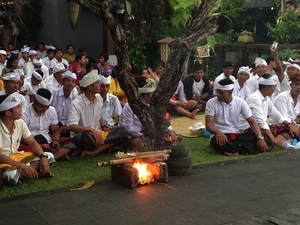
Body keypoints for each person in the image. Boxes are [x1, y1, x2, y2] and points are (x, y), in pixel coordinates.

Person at [0, 93, 55, 184]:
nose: (21, 110)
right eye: (18, 107)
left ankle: (23, 175)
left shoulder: (20, 122)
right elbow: (1, 157)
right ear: (8, 112)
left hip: (16, 157)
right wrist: (22, 166)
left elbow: (32, 142)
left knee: (49, 156)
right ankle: (34, 173)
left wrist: (43, 157)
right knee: (10, 174)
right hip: (4, 161)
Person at [68, 70, 124, 157]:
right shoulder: (76, 103)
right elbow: (72, 126)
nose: (100, 85)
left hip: (98, 132)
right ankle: (104, 146)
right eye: (97, 83)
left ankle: (95, 151)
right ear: (90, 87)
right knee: (84, 139)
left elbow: (99, 114)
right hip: (86, 135)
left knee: (124, 131)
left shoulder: (98, 98)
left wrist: (104, 126)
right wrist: (90, 130)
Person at [205, 78, 268, 156]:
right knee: (217, 141)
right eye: (217, 91)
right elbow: (209, 124)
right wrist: (218, 133)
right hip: (219, 136)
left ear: (230, 92)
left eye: (221, 92)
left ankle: (235, 150)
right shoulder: (211, 103)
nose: (218, 94)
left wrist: (260, 138)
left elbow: (252, 121)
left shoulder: (240, 102)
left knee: (258, 134)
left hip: (235, 135)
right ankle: (244, 149)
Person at [239, 74, 299, 148]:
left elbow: (275, 113)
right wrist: (272, 138)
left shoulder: (266, 98)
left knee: (289, 128)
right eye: (274, 87)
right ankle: (274, 142)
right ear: (267, 88)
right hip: (248, 130)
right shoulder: (255, 98)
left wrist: (289, 125)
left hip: (261, 128)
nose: (275, 89)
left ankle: (276, 142)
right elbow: (260, 121)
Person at [119, 76, 180, 146]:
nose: (154, 96)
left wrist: (170, 130)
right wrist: (142, 136)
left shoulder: (153, 105)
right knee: (142, 144)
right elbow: (128, 128)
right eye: (152, 94)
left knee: (165, 138)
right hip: (133, 135)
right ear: (146, 97)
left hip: (148, 134)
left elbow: (162, 120)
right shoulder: (129, 106)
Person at [21, 88, 72, 160]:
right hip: (30, 143)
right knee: (24, 149)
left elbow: (55, 130)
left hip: (48, 142)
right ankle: (52, 156)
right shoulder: (24, 113)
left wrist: (56, 141)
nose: (45, 109)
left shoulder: (51, 110)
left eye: (47, 106)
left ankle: (48, 157)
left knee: (71, 142)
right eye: (42, 106)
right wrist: (39, 146)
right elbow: (22, 137)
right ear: (35, 101)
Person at [269, 74, 300, 142]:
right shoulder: (283, 96)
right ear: (291, 85)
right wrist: (294, 127)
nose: (299, 87)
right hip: (278, 126)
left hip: (291, 125)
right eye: (297, 84)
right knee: (290, 134)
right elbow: (283, 117)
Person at [51, 71, 77, 137]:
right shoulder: (54, 94)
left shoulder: (75, 98)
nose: (70, 83)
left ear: (75, 85)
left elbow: (76, 116)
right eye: (68, 80)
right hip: (52, 123)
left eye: (73, 81)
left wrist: (67, 126)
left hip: (67, 126)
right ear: (62, 82)